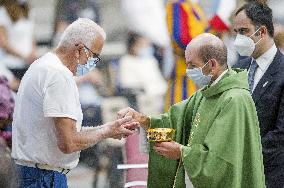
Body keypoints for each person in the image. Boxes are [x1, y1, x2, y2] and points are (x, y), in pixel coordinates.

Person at [117, 33, 265, 188]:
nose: (188, 71)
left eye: (193, 65)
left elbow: (221, 162)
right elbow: (174, 122)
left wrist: (182, 153)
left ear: (212, 64)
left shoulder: (235, 99)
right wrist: (142, 119)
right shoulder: (204, 94)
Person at [11, 18, 138, 188]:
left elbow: (66, 133)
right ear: (80, 50)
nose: (94, 63)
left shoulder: (42, 65)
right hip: (44, 177)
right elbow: (68, 142)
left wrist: (107, 129)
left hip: (32, 172)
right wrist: (106, 131)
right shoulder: (58, 76)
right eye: (95, 57)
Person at [233, 2, 284, 187]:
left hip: (271, 175)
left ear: (262, 32)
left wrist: (244, 154)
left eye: (243, 31)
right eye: (236, 31)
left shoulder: (282, 71)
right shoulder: (238, 69)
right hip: (237, 175)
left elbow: (280, 134)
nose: (238, 38)